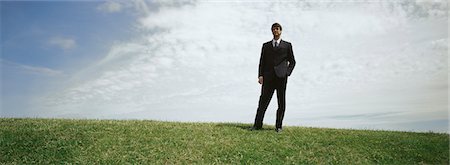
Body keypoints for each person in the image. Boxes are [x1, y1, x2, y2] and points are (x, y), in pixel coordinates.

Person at [251, 23, 296, 133]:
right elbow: (262, 62)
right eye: (273, 29)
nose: (275, 30)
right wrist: (260, 75)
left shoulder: (287, 45)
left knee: (281, 103)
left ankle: (278, 126)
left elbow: (293, 62)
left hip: (281, 78)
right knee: (263, 102)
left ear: (281, 31)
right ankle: (257, 125)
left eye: (277, 29)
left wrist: (287, 72)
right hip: (268, 78)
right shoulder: (266, 46)